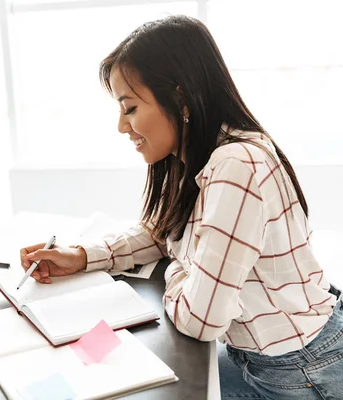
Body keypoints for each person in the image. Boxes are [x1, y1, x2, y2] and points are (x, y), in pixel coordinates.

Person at [19, 15, 343, 400]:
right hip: (256, 357)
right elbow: (163, 231)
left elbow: (202, 319)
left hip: (300, 371)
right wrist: (81, 256)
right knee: (107, 375)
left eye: (130, 108)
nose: (122, 126)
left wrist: (179, 268)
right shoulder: (197, 153)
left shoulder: (236, 166)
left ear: (181, 98)